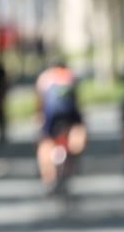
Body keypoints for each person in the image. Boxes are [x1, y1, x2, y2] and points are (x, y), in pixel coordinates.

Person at [35, 60, 87, 193]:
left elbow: (40, 102)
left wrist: (39, 117)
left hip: (51, 114)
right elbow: (76, 100)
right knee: (78, 131)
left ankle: (48, 178)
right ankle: (72, 160)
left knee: (45, 142)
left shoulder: (44, 77)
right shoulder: (71, 75)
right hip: (70, 113)